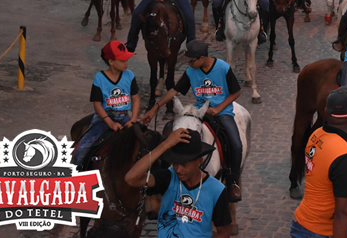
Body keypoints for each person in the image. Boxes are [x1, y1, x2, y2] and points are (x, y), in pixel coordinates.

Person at [139, 40, 244, 203]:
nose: (188, 64)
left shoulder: (223, 68)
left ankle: (233, 181)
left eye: (191, 60)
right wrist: (155, 108)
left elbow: (236, 92)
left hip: (222, 112)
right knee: (170, 131)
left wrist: (218, 109)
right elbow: (174, 91)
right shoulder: (191, 71)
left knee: (236, 143)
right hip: (198, 111)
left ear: (201, 58)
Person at [124, 128, 232, 237]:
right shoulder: (167, 178)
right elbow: (131, 178)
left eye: (184, 164)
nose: (178, 170)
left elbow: (224, 232)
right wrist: (164, 145)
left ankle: (234, 180)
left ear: (199, 161)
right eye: (175, 163)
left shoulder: (216, 190)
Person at [291, 87, 347, 238]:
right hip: (326, 231)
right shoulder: (346, 157)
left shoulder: (316, 134)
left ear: (325, 111)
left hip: (303, 222)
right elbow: (342, 212)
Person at [72, 40, 140, 169]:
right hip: (103, 118)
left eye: (126, 60)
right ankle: (76, 172)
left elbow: (135, 99)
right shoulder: (99, 78)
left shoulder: (130, 76)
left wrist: (133, 119)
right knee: (82, 148)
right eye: (122, 60)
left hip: (124, 116)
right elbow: (97, 105)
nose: (126, 63)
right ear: (111, 61)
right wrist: (110, 123)